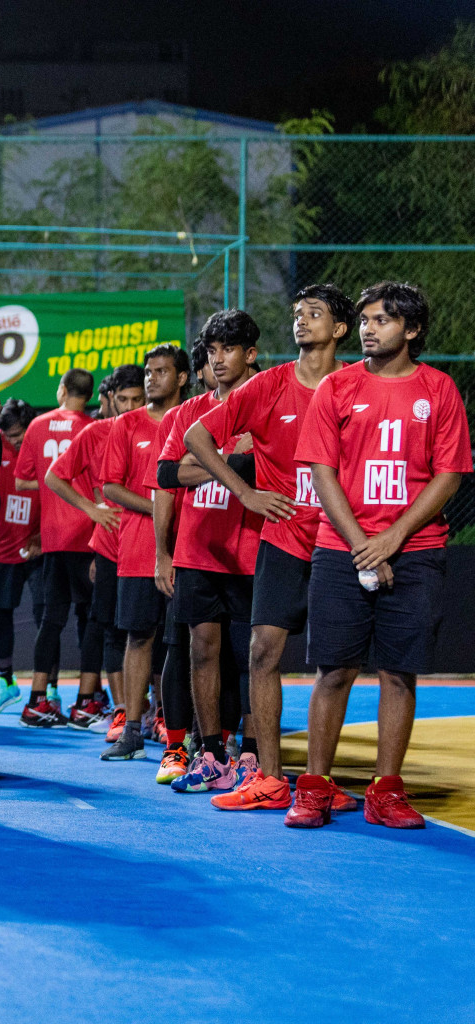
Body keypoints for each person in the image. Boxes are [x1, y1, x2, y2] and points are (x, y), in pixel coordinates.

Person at [288, 282, 471, 829]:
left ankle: (386, 790)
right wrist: (364, 547)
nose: (369, 327)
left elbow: (450, 475)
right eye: (365, 319)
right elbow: (321, 471)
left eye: (383, 320)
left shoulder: (439, 390)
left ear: (412, 331)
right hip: (340, 550)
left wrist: (391, 541)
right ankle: (315, 787)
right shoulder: (337, 387)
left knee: (399, 674)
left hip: (415, 552)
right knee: (333, 671)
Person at [185, 284, 351, 810]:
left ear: (340, 329)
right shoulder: (270, 385)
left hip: (338, 540)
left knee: (337, 666)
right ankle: (272, 778)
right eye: (297, 313)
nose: (301, 321)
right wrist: (245, 491)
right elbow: (196, 436)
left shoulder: (354, 386)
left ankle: (319, 783)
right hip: (282, 536)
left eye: (315, 314)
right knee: (261, 653)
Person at [153, 311, 262, 793]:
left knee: (254, 656)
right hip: (197, 547)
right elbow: (165, 476)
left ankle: (254, 754)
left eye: (229, 349)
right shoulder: (186, 411)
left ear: (250, 354)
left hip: (255, 547)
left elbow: (266, 467)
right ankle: (212, 752)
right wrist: (235, 466)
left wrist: (205, 463)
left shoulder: (269, 403)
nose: (218, 359)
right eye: (212, 350)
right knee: (201, 650)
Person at [94, 346, 188, 763]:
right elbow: (109, 486)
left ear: (182, 377)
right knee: (138, 636)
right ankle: (132, 727)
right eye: (149, 372)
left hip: (189, 548)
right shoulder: (125, 424)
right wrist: (157, 508)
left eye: (162, 371)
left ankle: (179, 729)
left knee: (185, 643)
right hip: (137, 549)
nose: (152, 378)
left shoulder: (194, 420)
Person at [44, 364, 147, 728]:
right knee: (111, 629)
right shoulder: (95, 433)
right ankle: (121, 712)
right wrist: (92, 510)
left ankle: (155, 713)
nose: (130, 405)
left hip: (154, 548)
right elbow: (53, 476)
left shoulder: (166, 427)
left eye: (137, 398)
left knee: (158, 635)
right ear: (109, 400)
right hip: (109, 548)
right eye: (123, 399)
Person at [13, 369, 99, 726]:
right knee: (92, 620)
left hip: (53, 538)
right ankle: (85, 703)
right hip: (89, 536)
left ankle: (37, 701)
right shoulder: (93, 428)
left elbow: (21, 479)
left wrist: (51, 489)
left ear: (62, 390)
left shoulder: (37, 426)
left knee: (51, 621)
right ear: (90, 395)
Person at [0, 397, 44, 714]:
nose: (14, 442)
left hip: (42, 543)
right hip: (5, 542)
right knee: (0, 613)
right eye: (9, 436)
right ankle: (6, 683)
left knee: (47, 616)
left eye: (18, 435)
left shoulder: (44, 442)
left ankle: (49, 689)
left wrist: (42, 536)